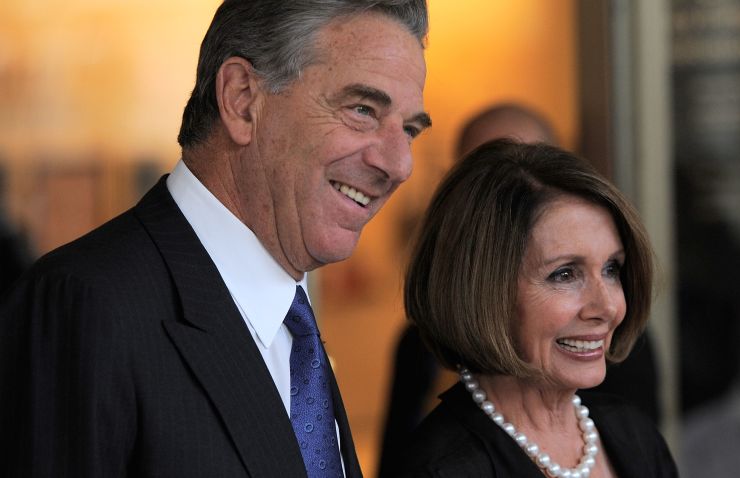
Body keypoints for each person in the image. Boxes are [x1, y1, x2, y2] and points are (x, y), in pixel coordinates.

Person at [0, 1, 430, 477]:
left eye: (409, 129)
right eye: (363, 109)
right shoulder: (86, 305)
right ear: (243, 99)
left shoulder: (294, 327)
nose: (399, 164)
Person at [392, 140, 677, 477]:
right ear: (484, 290)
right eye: (565, 274)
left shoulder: (633, 434)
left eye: (611, 269)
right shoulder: (443, 469)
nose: (608, 306)